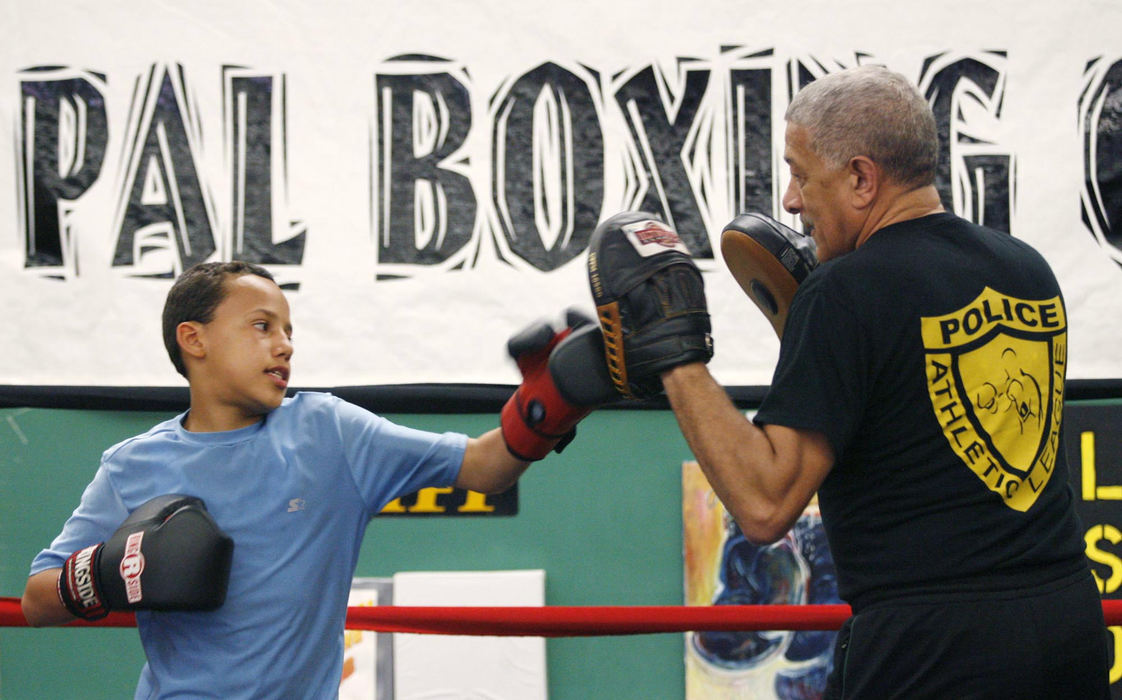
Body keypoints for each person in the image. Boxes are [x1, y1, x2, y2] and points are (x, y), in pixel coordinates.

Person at [655, 66, 1110, 697]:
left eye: (799, 172)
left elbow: (764, 505)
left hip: (933, 649)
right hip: (1069, 625)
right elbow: (915, 414)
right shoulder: (1026, 268)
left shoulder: (845, 292)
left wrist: (674, 357)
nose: (790, 200)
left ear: (862, 179)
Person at [21, 260, 593, 698]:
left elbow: (484, 467)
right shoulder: (131, 466)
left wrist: (548, 407)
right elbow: (37, 600)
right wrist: (107, 571)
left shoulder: (327, 433)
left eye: (289, 330)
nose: (284, 344)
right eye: (262, 326)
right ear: (194, 340)